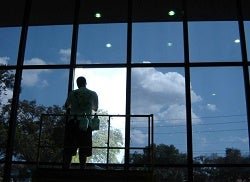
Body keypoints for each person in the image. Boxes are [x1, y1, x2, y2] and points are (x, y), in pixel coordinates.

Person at [63, 76, 98, 169]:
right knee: (84, 148)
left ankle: (66, 169)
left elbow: (66, 106)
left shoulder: (73, 93)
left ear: (77, 84)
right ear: (86, 83)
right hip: (86, 124)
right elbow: (95, 108)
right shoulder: (92, 93)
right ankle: (82, 168)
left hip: (73, 123)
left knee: (69, 148)